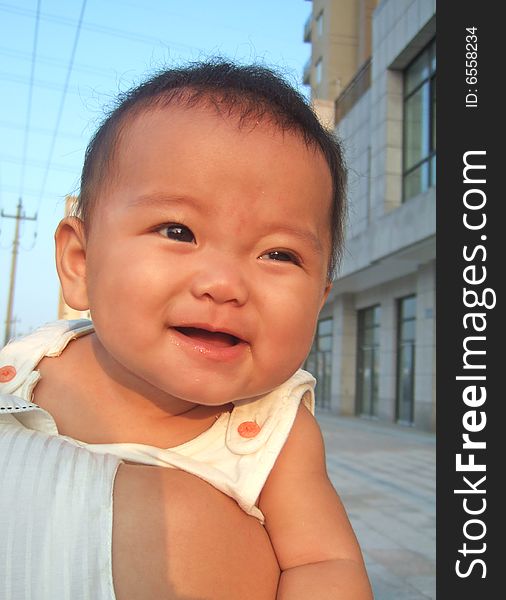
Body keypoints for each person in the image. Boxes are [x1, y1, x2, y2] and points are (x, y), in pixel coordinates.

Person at [0, 60, 373, 599]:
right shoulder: (27, 367)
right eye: (178, 231)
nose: (224, 284)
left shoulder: (274, 430)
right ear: (81, 262)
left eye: (279, 253)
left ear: (319, 300)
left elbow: (324, 563)